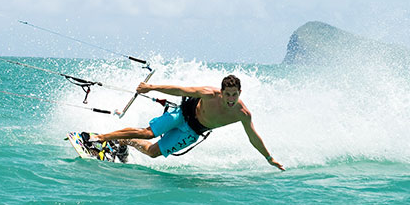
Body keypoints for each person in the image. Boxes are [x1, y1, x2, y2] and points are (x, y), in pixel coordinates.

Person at [93, 74, 284, 170]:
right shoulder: (209, 94)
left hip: (193, 131)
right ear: (222, 91)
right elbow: (180, 89)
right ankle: (100, 137)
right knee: (148, 133)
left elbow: (253, 137)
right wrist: (151, 87)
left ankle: (124, 141)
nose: (230, 99)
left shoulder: (243, 114)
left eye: (234, 95)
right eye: (227, 94)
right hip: (182, 114)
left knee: (152, 152)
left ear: (240, 93)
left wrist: (269, 158)